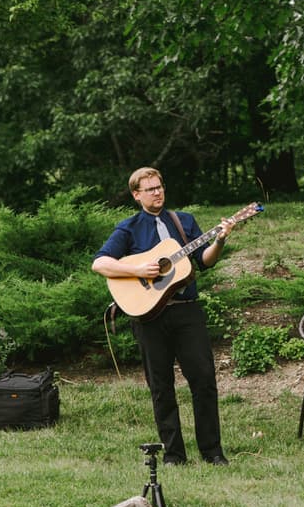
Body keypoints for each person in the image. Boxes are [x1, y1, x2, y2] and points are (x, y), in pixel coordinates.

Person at [92, 167, 234, 466]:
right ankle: (174, 455)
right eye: (150, 189)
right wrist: (137, 270)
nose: (157, 192)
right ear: (136, 195)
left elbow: (204, 260)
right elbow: (100, 263)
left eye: (160, 187)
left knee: (204, 380)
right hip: (149, 318)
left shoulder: (183, 221)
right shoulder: (128, 228)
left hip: (187, 311)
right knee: (161, 386)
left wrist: (219, 240)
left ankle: (212, 452)